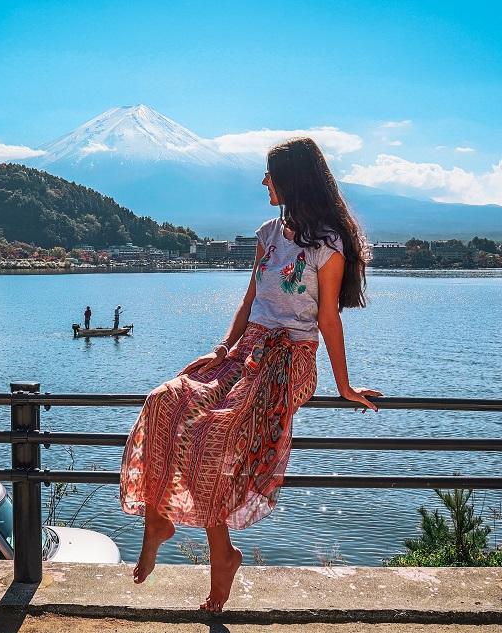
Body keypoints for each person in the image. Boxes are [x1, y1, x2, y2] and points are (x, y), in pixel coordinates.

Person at [119, 137, 381, 613]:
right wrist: (220, 349)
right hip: (246, 350)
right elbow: (248, 299)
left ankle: (222, 557)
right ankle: (158, 521)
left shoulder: (328, 245)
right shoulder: (268, 232)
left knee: (217, 430)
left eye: (270, 175)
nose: (264, 182)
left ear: (293, 180)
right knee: (165, 399)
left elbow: (328, 319)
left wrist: (344, 386)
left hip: (290, 359)